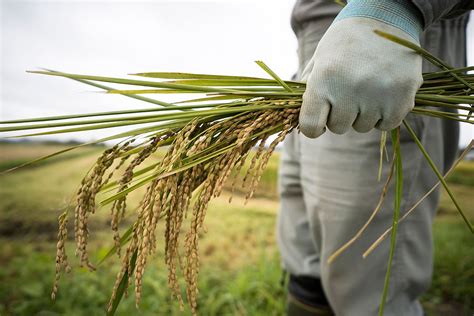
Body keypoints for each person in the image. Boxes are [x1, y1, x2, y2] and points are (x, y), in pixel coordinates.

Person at [276, 0, 473, 315]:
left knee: (367, 290)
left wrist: (394, 7)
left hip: (383, 42)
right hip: (318, 39)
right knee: (307, 263)